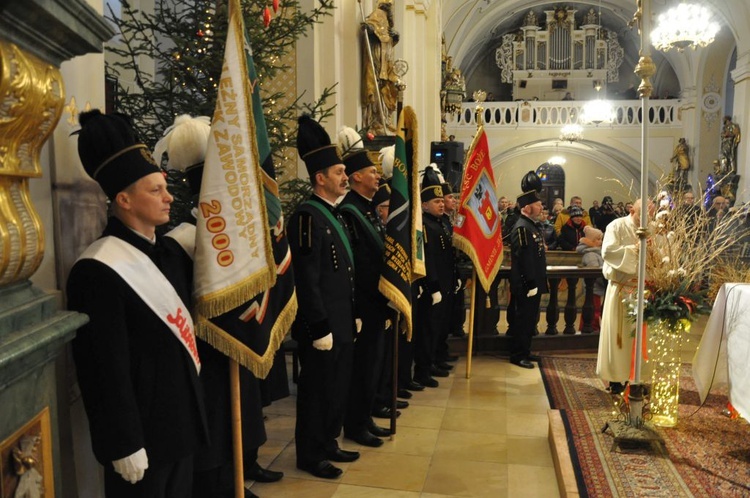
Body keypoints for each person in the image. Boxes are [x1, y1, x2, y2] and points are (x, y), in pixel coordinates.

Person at [67, 110, 208, 497]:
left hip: (182, 425)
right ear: (124, 199)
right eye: (156, 190)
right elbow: (103, 368)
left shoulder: (172, 253)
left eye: (165, 187)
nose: (169, 197)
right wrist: (122, 442)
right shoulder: (97, 270)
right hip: (143, 438)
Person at [154, 115, 281, 498]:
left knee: (235, 422)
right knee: (213, 429)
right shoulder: (177, 244)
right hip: (205, 356)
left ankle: (233, 481)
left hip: (235, 344)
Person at [288, 115, 359, 479]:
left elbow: (343, 274)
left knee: (336, 388)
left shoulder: (335, 215)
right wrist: (318, 326)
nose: (345, 177)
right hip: (322, 326)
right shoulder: (306, 216)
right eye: (338, 171)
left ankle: (329, 442)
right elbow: (307, 278)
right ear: (320, 178)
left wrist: (352, 314)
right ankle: (310, 453)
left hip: (341, 321)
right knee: (317, 392)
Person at [338, 147, 392, 448]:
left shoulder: (367, 208)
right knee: (363, 367)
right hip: (364, 302)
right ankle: (356, 424)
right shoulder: (350, 210)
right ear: (356, 176)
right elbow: (356, 263)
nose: (377, 174)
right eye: (372, 171)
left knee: (373, 364)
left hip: (376, 301)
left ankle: (366, 416)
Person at [596, 199, 648, 394]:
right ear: (631, 210)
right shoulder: (616, 226)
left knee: (640, 338)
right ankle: (617, 379)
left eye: (650, 215)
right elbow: (608, 252)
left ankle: (637, 378)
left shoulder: (651, 229)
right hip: (620, 289)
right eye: (642, 214)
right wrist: (634, 251)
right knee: (619, 337)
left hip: (643, 291)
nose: (646, 220)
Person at [414, 166, 454, 387]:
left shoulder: (440, 224)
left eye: (442, 201)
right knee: (427, 331)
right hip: (432, 288)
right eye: (436, 201)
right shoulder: (425, 226)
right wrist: (434, 286)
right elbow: (427, 260)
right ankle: (423, 370)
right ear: (425, 204)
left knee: (439, 328)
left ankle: (435, 361)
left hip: (445, 284)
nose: (441, 204)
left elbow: (447, 257)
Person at [508, 172, 547, 369]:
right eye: (538, 204)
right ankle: (518, 355)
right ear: (526, 207)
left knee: (530, 320)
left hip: (534, 283)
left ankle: (526, 351)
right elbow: (524, 259)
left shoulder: (531, 226)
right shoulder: (522, 227)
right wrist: (530, 282)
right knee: (522, 320)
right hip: (526, 284)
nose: (541, 207)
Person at [362, 0, 400, 135]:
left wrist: (395, 36)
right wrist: (370, 29)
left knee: (387, 87)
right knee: (378, 86)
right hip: (378, 57)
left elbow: (389, 38)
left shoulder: (389, 22)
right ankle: (377, 121)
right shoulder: (377, 14)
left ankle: (385, 120)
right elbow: (370, 27)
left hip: (386, 60)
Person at [577, 226, 605, 331]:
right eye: (598, 239)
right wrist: (605, 282)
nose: (601, 242)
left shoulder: (597, 253)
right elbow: (595, 272)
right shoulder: (591, 255)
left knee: (594, 310)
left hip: (597, 288)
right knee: (593, 311)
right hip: (594, 288)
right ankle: (591, 329)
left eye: (601, 239)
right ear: (591, 241)